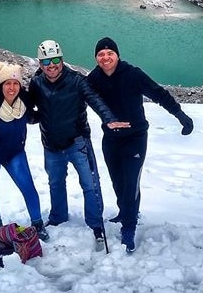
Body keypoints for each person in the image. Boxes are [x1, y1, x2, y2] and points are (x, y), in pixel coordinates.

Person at [86, 37, 194, 253]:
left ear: (117, 55)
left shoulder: (132, 74)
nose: (106, 58)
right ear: (96, 58)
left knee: (131, 184)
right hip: (111, 139)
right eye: (101, 55)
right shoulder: (94, 78)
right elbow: (77, 94)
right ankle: (124, 212)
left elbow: (158, 93)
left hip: (135, 138)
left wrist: (180, 115)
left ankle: (129, 227)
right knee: (118, 182)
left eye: (110, 53)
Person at [27, 39, 129, 249]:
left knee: (90, 185)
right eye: (46, 61)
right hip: (51, 143)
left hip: (77, 142)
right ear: (40, 64)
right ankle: (58, 218)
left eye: (55, 59)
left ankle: (95, 223)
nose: (51, 65)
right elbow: (30, 110)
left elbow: (95, 100)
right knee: (55, 183)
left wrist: (109, 119)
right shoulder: (37, 83)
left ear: (62, 60)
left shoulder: (76, 80)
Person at [0, 62, 49, 240]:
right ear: (1, 85)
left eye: (15, 83)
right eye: (7, 83)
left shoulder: (23, 104)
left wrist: (52, 111)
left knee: (28, 187)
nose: (12, 88)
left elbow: (32, 117)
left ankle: (37, 223)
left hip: (15, 154)